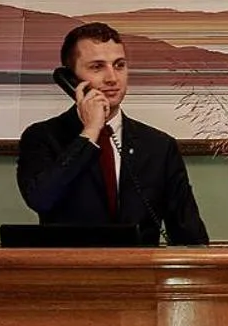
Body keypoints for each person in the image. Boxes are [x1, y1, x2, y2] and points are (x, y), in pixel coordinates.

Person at [16, 22, 209, 245]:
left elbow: (189, 233)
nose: (112, 78)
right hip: (70, 273)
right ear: (71, 78)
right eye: (97, 67)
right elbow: (41, 199)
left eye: (119, 65)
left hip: (141, 274)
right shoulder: (42, 137)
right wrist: (90, 132)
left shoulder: (159, 146)